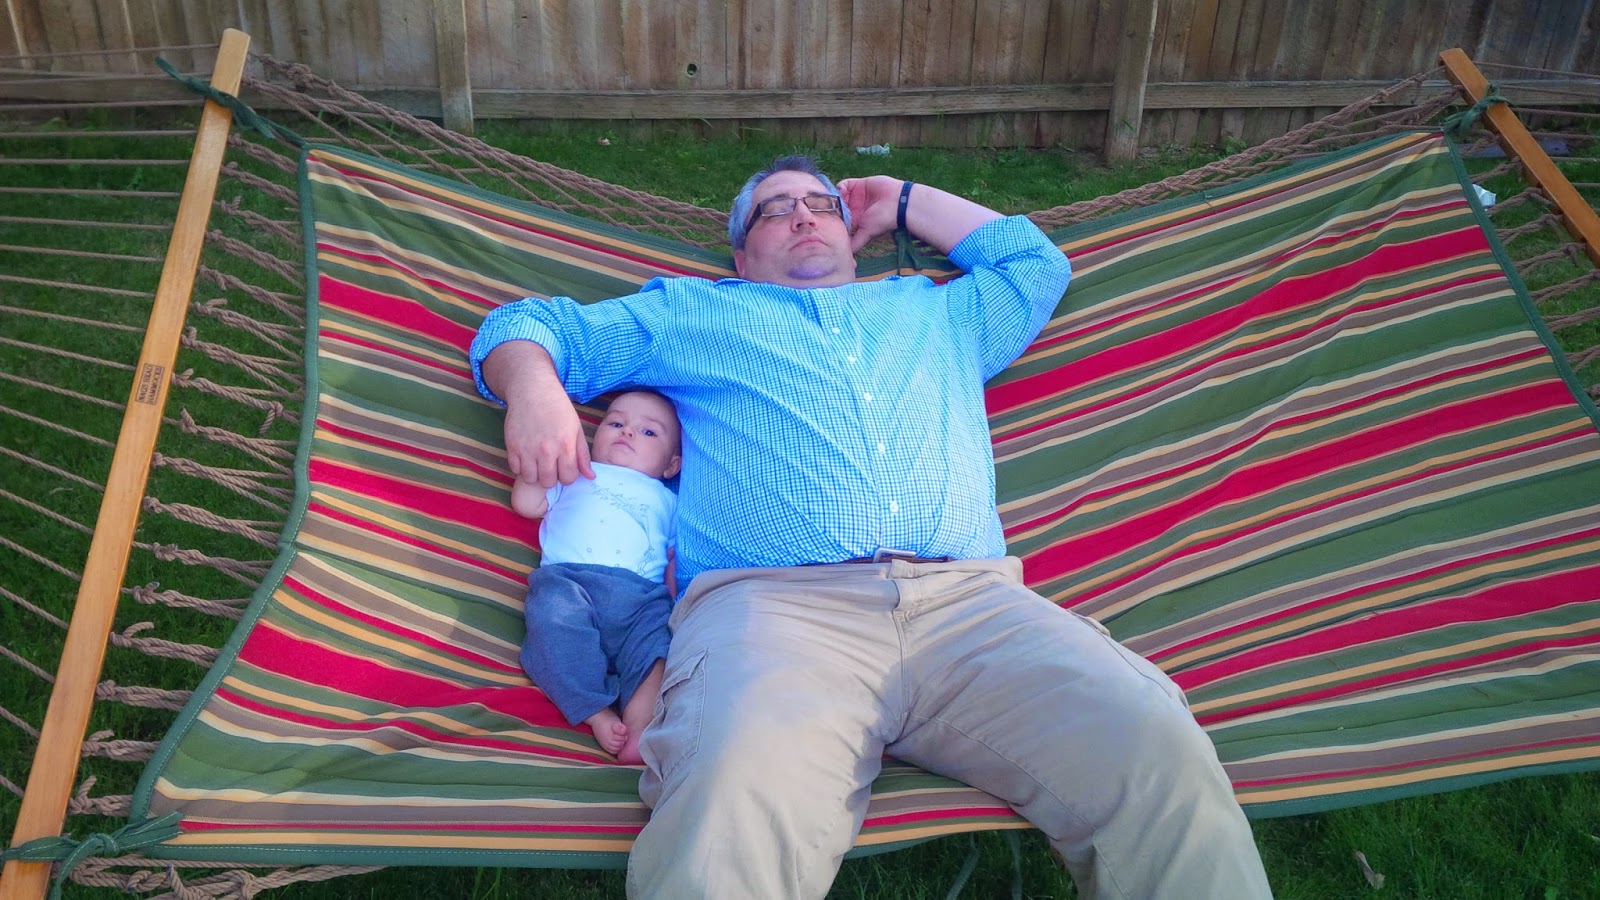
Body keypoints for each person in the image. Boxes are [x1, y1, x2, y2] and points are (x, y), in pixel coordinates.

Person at [471, 156, 1273, 899]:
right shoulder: (693, 312)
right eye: (774, 210)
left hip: (973, 609)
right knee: (730, 804)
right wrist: (535, 393)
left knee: (1156, 747)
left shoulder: (938, 311)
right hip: (775, 617)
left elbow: (1035, 264)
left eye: (822, 204)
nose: (802, 216)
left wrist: (904, 200)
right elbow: (523, 328)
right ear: (741, 256)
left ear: (852, 236)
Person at [511, 390, 681, 766]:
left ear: (671, 466)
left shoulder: (669, 500)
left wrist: (671, 600)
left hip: (641, 599)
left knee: (658, 653)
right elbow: (527, 504)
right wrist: (539, 465)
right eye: (616, 422)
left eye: (649, 432)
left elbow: (673, 557)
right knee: (553, 625)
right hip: (570, 584)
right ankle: (594, 709)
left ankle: (639, 725)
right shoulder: (576, 472)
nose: (628, 432)